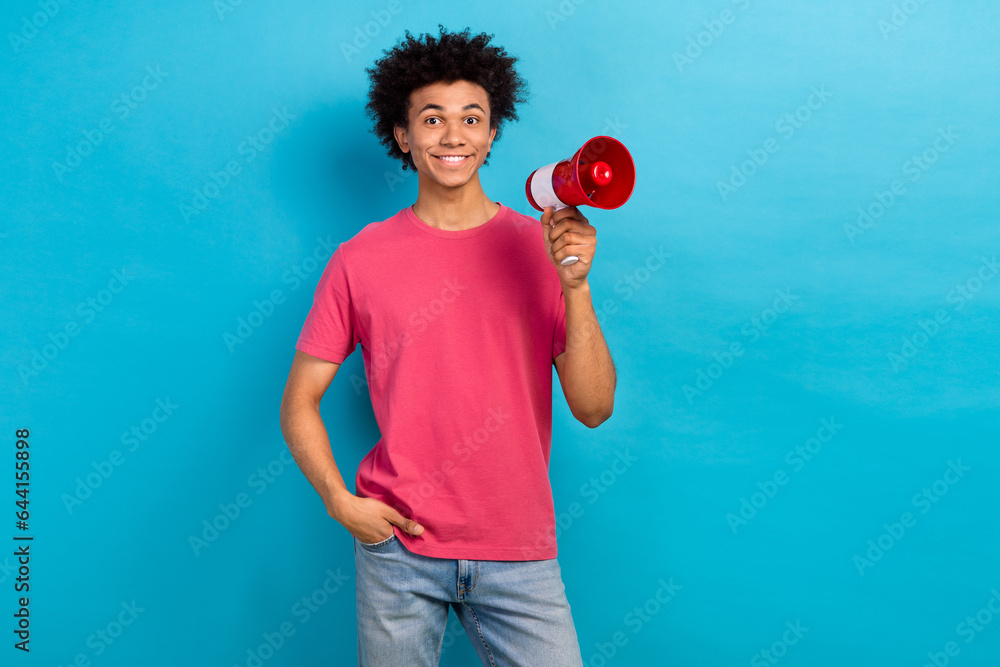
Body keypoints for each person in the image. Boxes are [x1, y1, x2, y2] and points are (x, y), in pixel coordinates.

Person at [279, 24, 616, 666]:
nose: (453, 135)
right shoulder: (359, 260)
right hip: (398, 551)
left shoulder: (539, 250)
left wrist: (575, 287)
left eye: (472, 118)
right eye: (432, 119)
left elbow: (594, 407)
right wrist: (338, 502)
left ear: (493, 133)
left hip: (519, 549)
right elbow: (299, 401)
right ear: (404, 136)